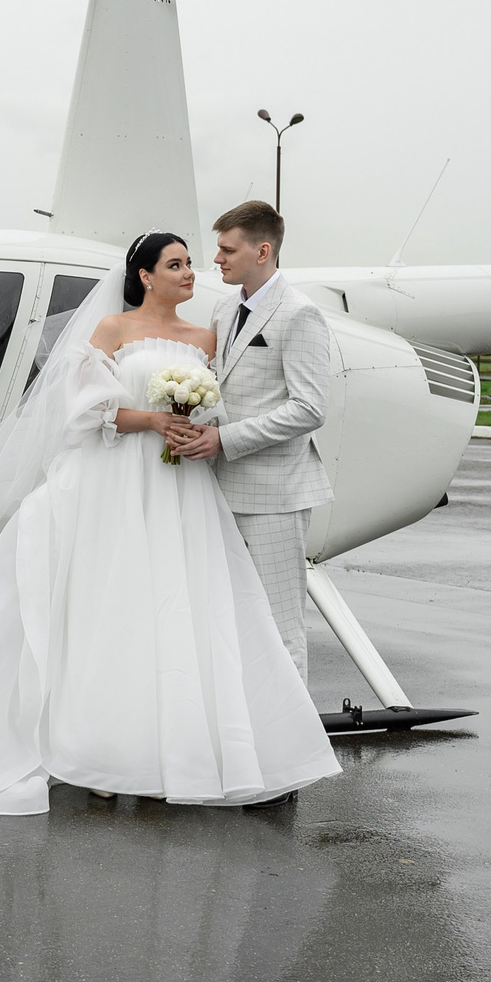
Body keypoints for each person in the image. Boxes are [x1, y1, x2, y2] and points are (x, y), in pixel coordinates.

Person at [0, 231, 338, 816]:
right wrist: (155, 422)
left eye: (192, 263)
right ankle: (92, 751)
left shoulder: (208, 336)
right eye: (177, 264)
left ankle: (163, 752)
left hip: (181, 488)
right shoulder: (112, 331)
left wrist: (193, 425)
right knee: (108, 609)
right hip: (115, 481)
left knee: (176, 616)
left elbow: (224, 407)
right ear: (144, 276)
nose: (191, 273)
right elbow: (86, 410)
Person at [163, 201, 334, 686]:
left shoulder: (300, 315)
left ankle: (291, 748)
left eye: (226, 249)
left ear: (262, 250)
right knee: (229, 617)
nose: (215, 259)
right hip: (219, 488)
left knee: (279, 626)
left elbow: (309, 408)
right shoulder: (224, 307)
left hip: (274, 497)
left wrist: (224, 439)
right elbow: (224, 388)